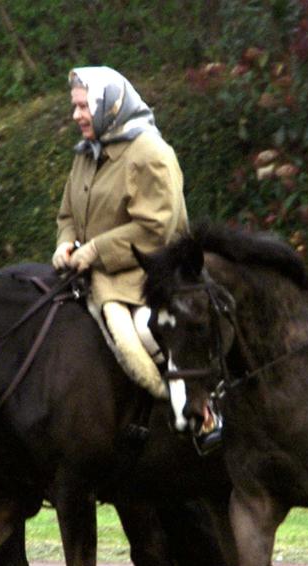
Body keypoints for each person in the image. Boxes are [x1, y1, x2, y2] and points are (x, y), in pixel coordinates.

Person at [53, 66, 193, 422]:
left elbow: (155, 229)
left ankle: (190, 412)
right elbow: (68, 214)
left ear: (108, 105)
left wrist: (96, 250)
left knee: (141, 341)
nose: (77, 115)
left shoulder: (150, 153)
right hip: (89, 273)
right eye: (76, 106)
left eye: (84, 106)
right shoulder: (87, 152)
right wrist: (65, 244)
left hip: (146, 276)